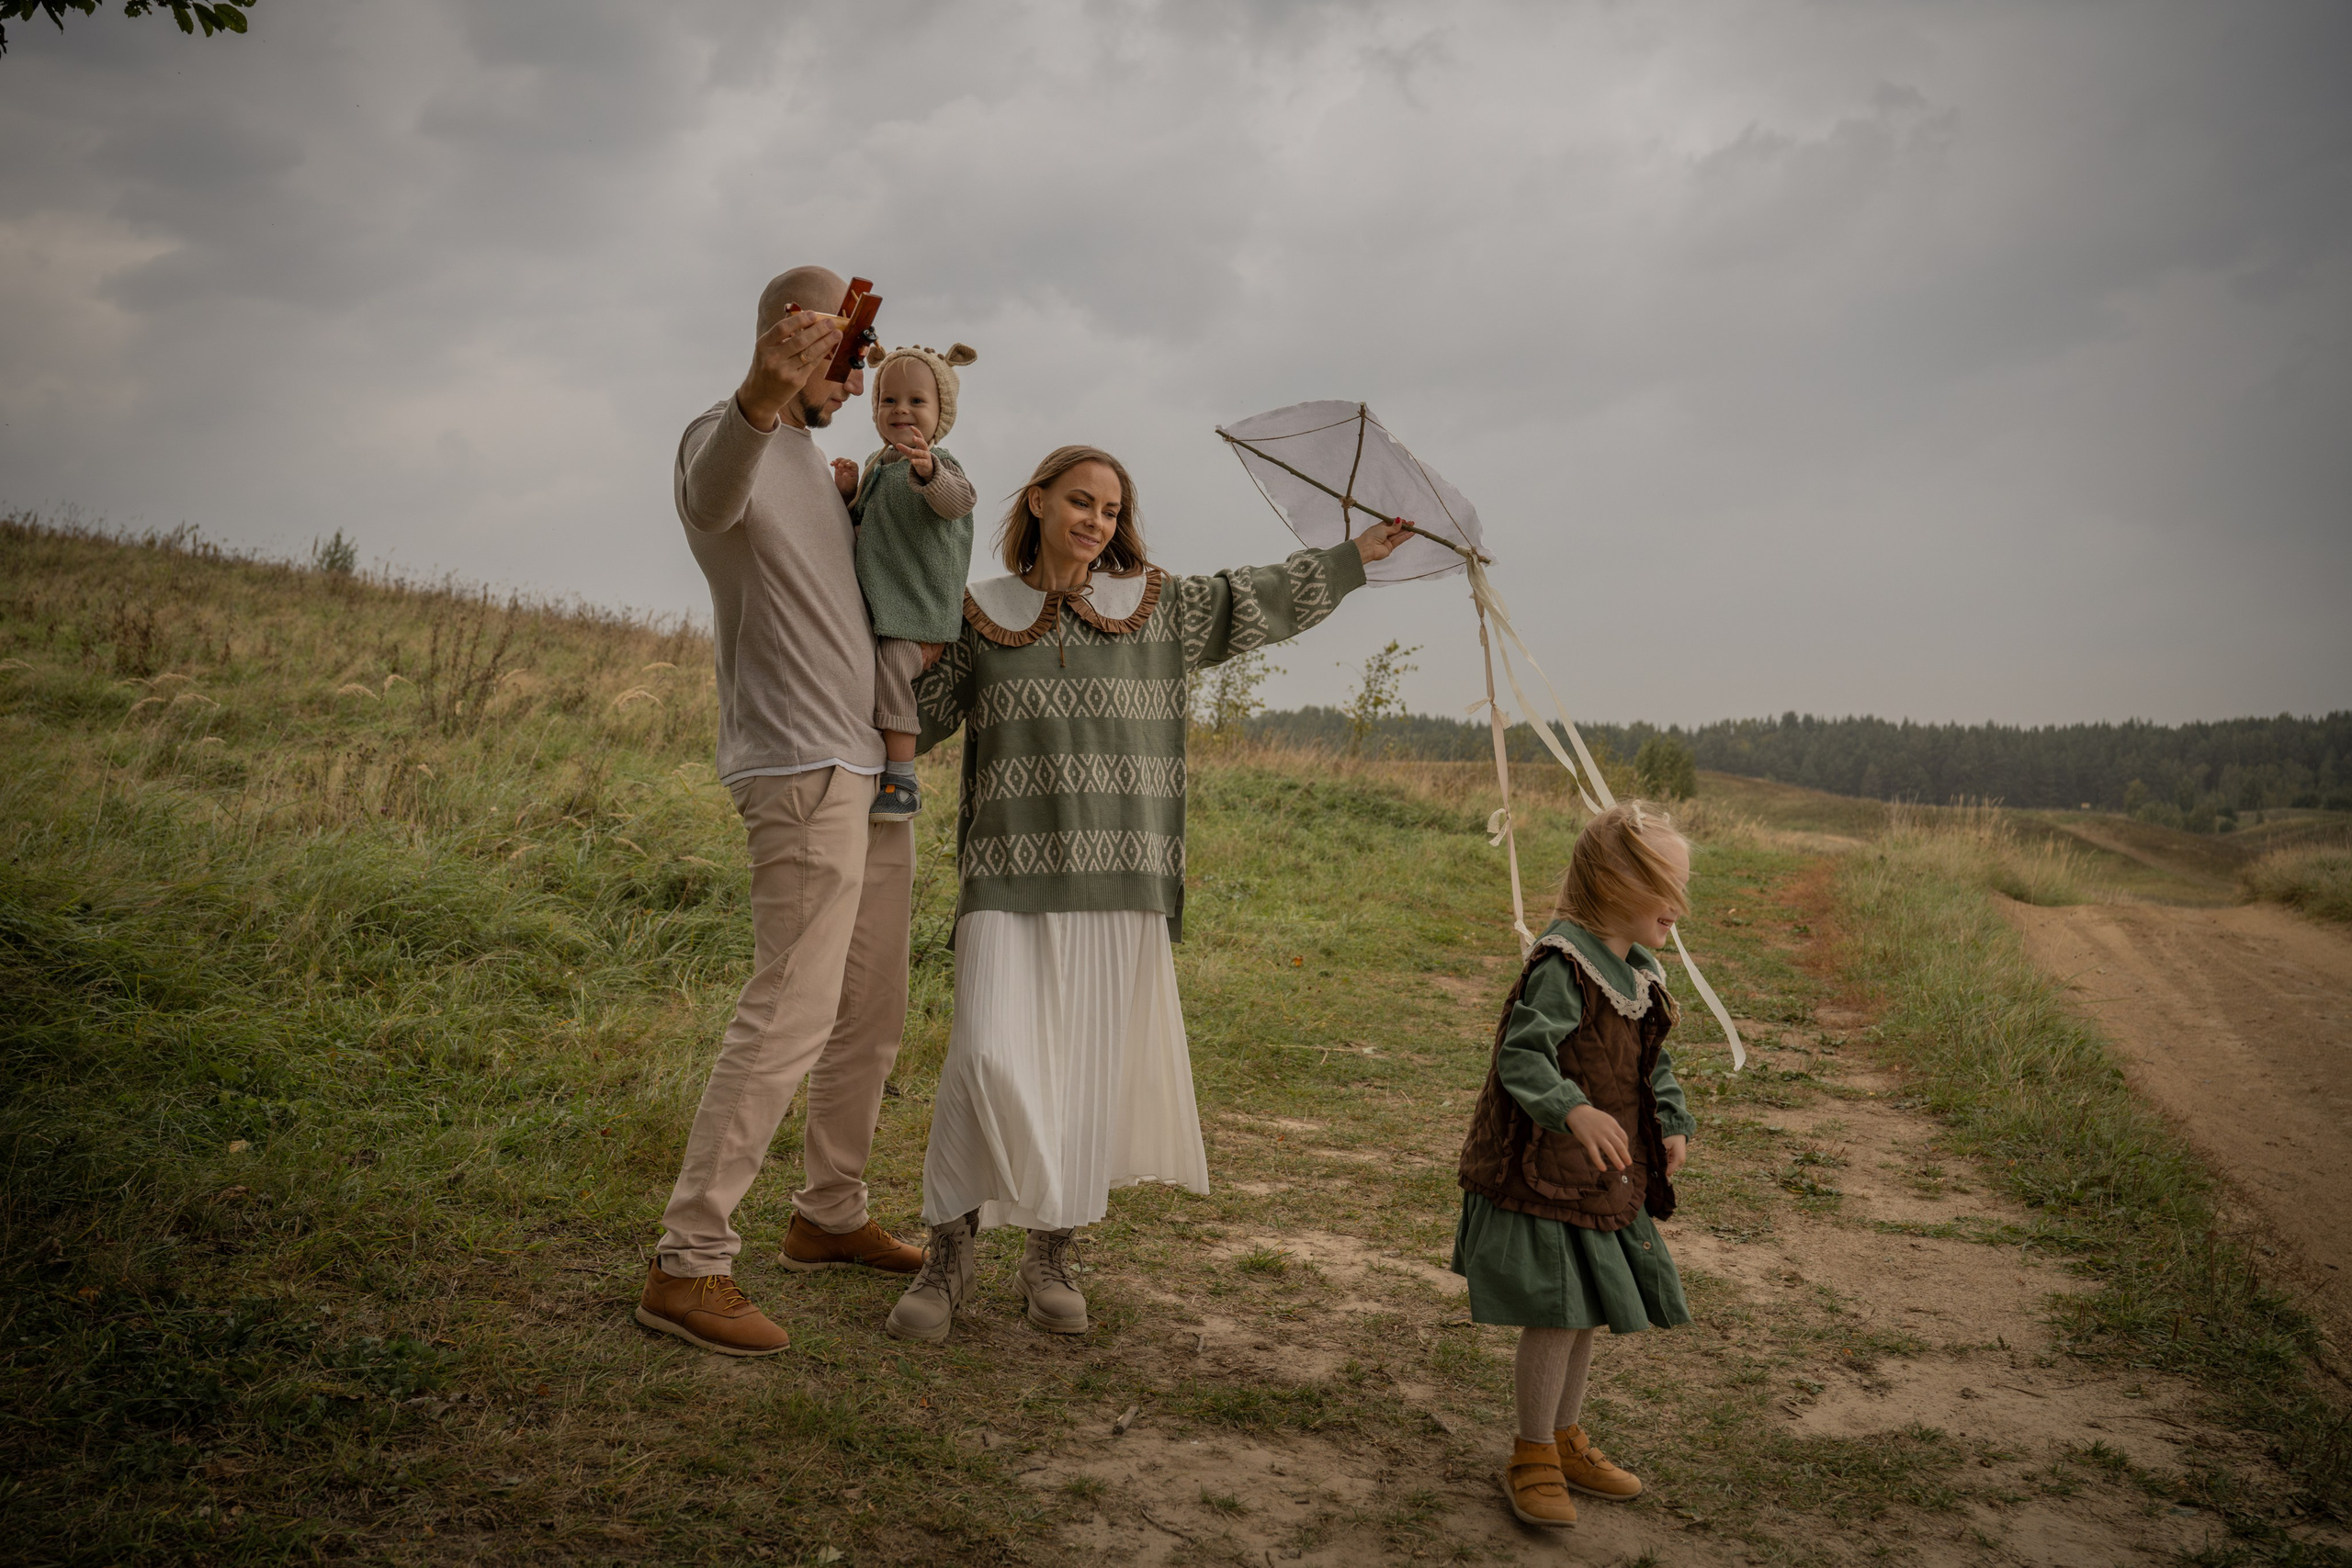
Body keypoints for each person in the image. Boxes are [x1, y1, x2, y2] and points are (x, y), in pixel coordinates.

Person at [883, 446, 1409, 1343]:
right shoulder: (979, 612)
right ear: (1039, 501)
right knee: (982, 1061)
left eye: (1110, 510)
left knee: (1083, 1076)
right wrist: (897, 642)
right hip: (1006, 874)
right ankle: (948, 1251)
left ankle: (1051, 1250)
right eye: (1079, 502)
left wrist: (1352, 558)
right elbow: (915, 716)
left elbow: (1257, 600)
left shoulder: (1159, 610)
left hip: (1120, 880)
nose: (1095, 521)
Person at [633, 266, 926, 1360]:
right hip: (799, 769)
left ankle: (828, 1212)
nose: (855, 381)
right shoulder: (727, 433)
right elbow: (709, 501)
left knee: (868, 1006)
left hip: (865, 770)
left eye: (859, 364)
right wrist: (760, 396)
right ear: (790, 341)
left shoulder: (814, 461)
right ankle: (687, 1264)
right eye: (844, 360)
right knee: (788, 1012)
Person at [1450, 802, 1701, 1528]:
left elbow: (1647, 1058)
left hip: (1597, 1179)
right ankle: (1531, 1451)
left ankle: (1563, 1437)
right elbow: (1522, 1054)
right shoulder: (1563, 965)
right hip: (1543, 1173)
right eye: (1666, 887)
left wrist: (1672, 1117)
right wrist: (1573, 1108)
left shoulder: (1636, 970)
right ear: (1615, 883)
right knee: (1556, 1316)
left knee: (1585, 1313)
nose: (1680, 907)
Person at [837, 341, 980, 822]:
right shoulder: (879, 466)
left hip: (919, 610)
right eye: (888, 400)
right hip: (884, 602)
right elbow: (860, 526)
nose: (901, 409)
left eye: (916, 401)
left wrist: (931, 471)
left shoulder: (942, 464)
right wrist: (847, 492)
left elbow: (959, 502)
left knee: (894, 671)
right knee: (872, 672)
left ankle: (902, 780)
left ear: (941, 413)